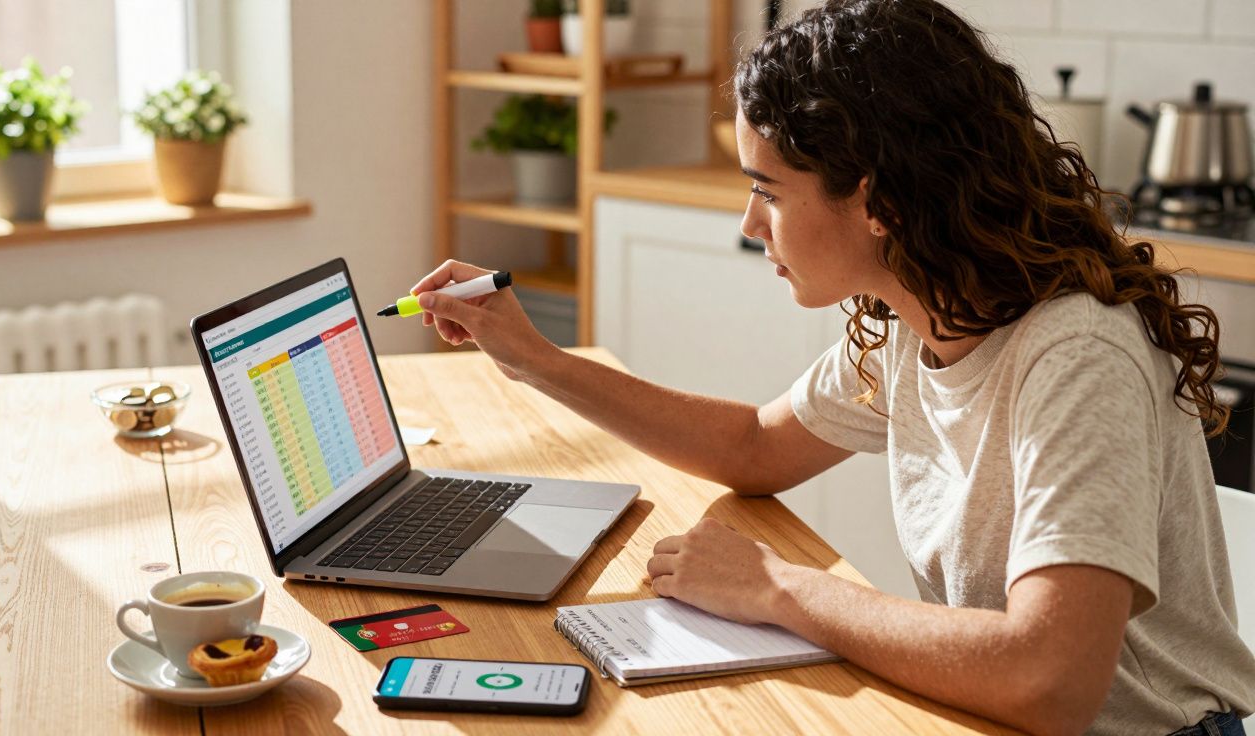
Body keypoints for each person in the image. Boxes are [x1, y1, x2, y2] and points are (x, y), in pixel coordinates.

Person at [409, 1, 1255, 733]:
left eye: (769, 191)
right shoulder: (917, 315)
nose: (750, 224)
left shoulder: (1076, 357)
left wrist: (780, 587)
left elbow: (1051, 680)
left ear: (877, 201)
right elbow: (753, 446)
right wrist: (535, 359)